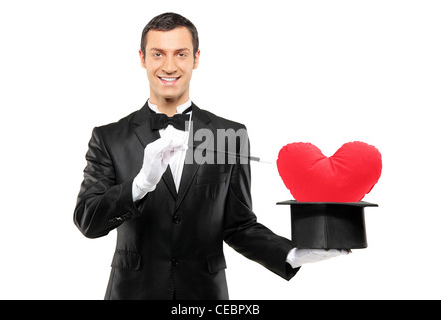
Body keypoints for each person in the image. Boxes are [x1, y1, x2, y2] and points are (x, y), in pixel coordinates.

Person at [74, 12, 348, 300]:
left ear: (196, 59)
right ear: (142, 58)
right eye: (158, 54)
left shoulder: (231, 134)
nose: (169, 66)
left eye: (181, 54)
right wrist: (140, 185)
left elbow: (238, 224)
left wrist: (290, 253)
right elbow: (88, 221)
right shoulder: (108, 137)